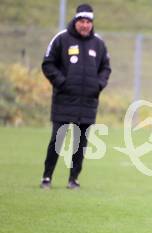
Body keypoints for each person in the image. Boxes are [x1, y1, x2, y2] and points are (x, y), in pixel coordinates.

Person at [40, 3, 111, 189]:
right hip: (64, 100)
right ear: (76, 20)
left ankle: (73, 179)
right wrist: (62, 82)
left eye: (88, 21)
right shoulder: (61, 39)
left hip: (87, 102)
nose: (85, 25)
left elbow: (106, 68)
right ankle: (47, 176)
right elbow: (48, 64)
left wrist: (98, 85)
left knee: (80, 144)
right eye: (82, 21)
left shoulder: (98, 43)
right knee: (57, 140)